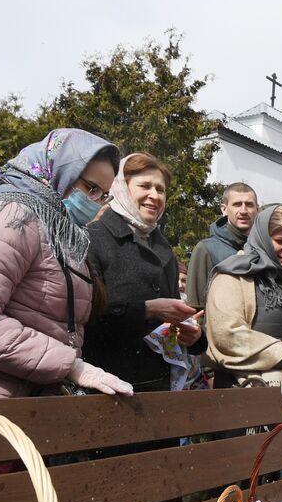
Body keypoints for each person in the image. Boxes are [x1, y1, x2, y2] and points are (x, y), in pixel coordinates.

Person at [0, 128, 132, 399]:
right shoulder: (8, 213)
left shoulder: (59, 229)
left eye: (103, 195)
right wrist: (71, 366)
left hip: (24, 403)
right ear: (58, 170)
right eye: (90, 188)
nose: (94, 202)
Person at [84, 153, 205, 392]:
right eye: (145, 186)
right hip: (105, 385)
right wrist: (148, 309)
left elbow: (168, 324)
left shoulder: (164, 248)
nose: (154, 195)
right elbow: (85, 316)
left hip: (157, 386)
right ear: (121, 188)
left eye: (160, 189)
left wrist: (193, 336)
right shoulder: (93, 237)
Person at [205, 204, 282, 414]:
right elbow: (226, 334)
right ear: (263, 237)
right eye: (280, 241)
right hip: (240, 397)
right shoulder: (232, 275)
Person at [185, 182, 259, 310]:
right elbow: (195, 306)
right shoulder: (205, 249)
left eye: (249, 205)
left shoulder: (263, 250)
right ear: (224, 209)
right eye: (237, 204)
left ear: (257, 209)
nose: (243, 211)